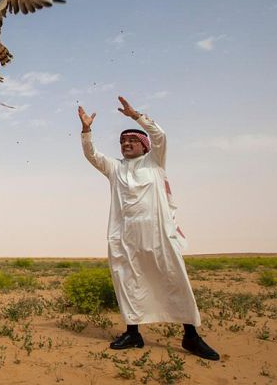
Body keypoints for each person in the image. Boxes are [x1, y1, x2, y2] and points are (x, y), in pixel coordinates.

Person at [78, 97, 219, 361]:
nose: (126, 144)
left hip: (159, 236)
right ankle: (133, 333)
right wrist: (87, 131)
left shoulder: (154, 162)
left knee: (174, 279)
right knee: (128, 282)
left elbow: (160, 135)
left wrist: (135, 116)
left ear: (144, 146)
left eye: (131, 141)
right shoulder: (115, 168)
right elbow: (92, 155)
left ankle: (191, 336)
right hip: (125, 238)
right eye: (122, 142)